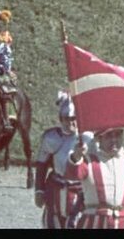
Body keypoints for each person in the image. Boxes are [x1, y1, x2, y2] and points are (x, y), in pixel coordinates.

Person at [65, 128, 124, 229]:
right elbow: (71, 175)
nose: (114, 140)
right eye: (108, 136)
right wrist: (76, 157)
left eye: (118, 135)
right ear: (99, 139)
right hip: (94, 222)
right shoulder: (88, 162)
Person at [35, 91, 90, 229]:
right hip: (56, 187)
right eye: (67, 118)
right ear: (61, 119)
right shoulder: (51, 138)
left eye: (74, 118)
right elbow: (42, 165)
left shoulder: (88, 138)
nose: (71, 122)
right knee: (53, 221)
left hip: (80, 189)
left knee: (79, 223)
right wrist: (39, 190)